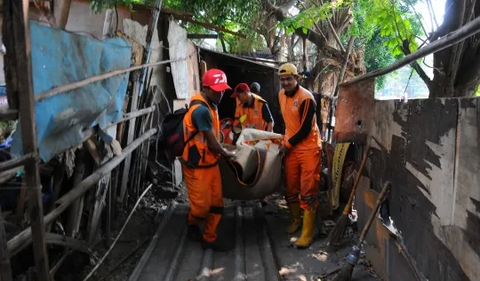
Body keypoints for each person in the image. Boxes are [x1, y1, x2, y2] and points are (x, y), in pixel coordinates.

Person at [181, 68, 237, 252]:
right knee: (200, 208)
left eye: (223, 90)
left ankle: (209, 237)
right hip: (196, 165)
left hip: (210, 163)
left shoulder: (212, 104)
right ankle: (192, 223)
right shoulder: (200, 111)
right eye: (217, 90)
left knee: (216, 204)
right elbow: (213, 144)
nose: (221, 94)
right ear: (206, 88)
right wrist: (229, 153)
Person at [278, 63, 322, 249]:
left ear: (297, 78)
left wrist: (287, 144)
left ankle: (307, 234)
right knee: (291, 187)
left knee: (308, 190)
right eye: (282, 79)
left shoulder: (306, 98)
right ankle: (296, 219)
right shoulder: (281, 95)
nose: (285, 82)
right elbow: (289, 122)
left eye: (289, 78)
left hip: (309, 149)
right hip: (292, 149)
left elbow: (305, 129)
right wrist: (284, 139)